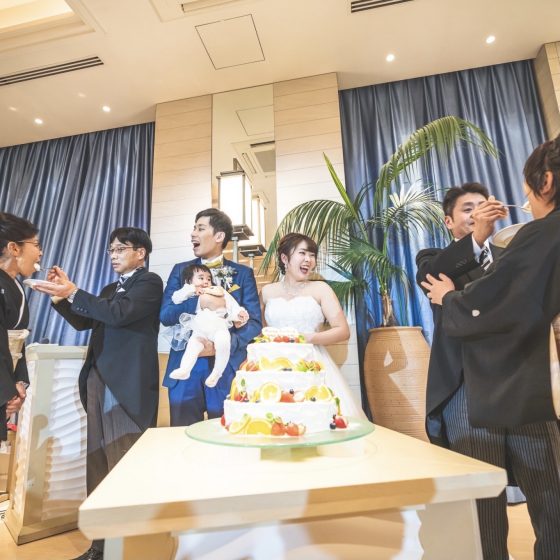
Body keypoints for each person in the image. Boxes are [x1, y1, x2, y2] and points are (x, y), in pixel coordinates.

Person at [421, 137, 560, 559]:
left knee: (550, 488)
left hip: (525, 382)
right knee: (484, 502)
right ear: (449, 222)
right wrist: (476, 238)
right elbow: (433, 276)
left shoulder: (519, 248)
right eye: (468, 209)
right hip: (469, 391)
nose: (479, 212)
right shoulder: (436, 257)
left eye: (484, 206)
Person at [33, 227, 163, 560]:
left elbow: (118, 314)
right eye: (111, 250)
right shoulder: (108, 289)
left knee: (123, 462)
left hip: (127, 386)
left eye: (121, 249)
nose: (114, 255)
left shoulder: (149, 283)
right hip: (97, 378)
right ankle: (100, 546)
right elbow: (84, 322)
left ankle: (129, 548)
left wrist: (74, 291)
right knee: (97, 462)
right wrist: (61, 297)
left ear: (140, 253)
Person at [160, 208, 262, 426]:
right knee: (183, 434)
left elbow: (254, 323)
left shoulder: (243, 274)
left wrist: (221, 345)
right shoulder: (180, 271)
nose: (193, 234)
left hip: (226, 367)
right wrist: (200, 302)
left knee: (227, 434)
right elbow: (166, 315)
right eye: (194, 228)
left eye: (200, 228)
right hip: (186, 365)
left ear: (219, 236)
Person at [260, 233, 363, 418]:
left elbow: (343, 331)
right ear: (285, 258)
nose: (308, 259)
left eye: (312, 255)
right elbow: (263, 332)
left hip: (311, 360)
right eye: (302, 253)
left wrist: (308, 338)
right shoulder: (267, 292)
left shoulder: (321, 289)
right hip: (274, 365)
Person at [169, 263, 249, 387]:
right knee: (193, 345)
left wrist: (240, 312)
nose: (206, 281)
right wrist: (191, 289)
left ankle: (217, 372)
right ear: (189, 281)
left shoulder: (219, 291)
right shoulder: (190, 291)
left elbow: (232, 305)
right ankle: (185, 369)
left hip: (219, 326)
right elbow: (175, 298)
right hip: (200, 328)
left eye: (209, 278)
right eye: (201, 278)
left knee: (223, 343)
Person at [0, 213, 40, 441]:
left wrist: (18, 381)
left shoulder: (15, 285)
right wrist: (5, 391)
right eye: (36, 245)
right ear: (14, 248)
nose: (40, 253)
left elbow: (18, 341)